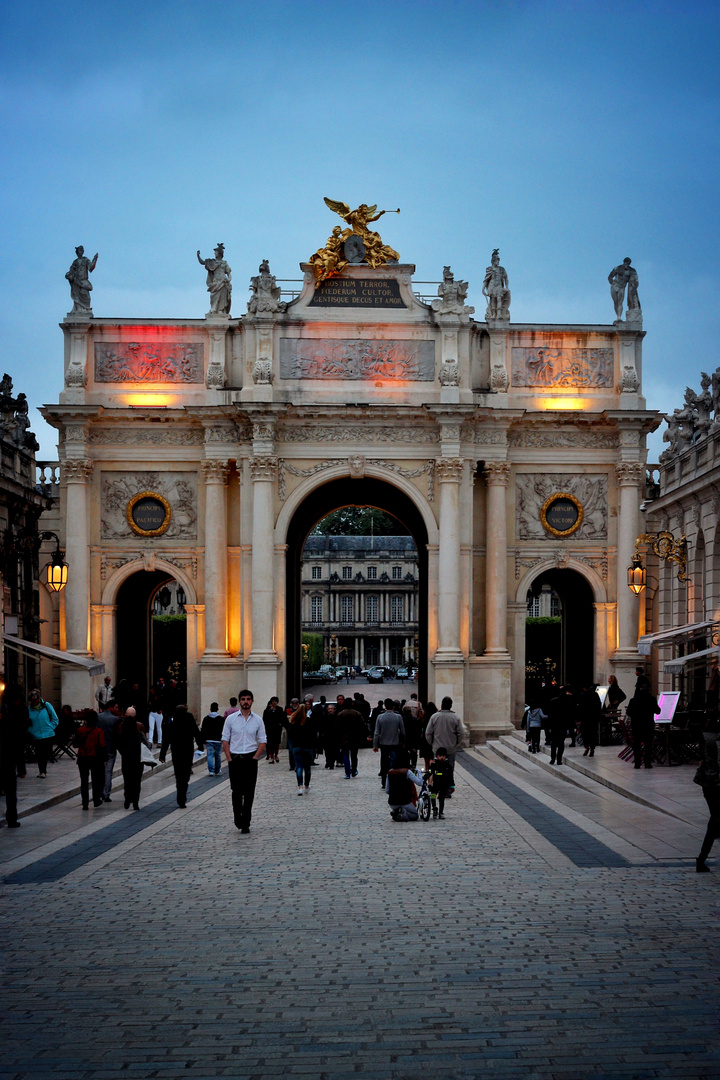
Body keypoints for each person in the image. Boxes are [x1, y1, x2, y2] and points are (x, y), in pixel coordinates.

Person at [221, 689, 266, 832]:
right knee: (236, 791)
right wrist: (229, 759)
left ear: (252, 701)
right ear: (239, 701)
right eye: (243, 699)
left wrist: (255, 757)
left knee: (249, 792)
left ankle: (246, 821)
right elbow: (225, 739)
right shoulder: (231, 719)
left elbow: (263, 741)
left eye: (248, 699)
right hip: (235, 759)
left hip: (250, 759)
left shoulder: (258, 720)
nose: (246, 702)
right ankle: (237, 816)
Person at [159, 705, 204, 808]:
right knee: (185, 775)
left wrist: (162, 755)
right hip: (187, 752)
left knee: (179, 776)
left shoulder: (173, 723)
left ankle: (181, 796)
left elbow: (166, 740)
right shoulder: (189, 720)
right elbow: (196, 733)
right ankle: (182, 797)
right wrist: (200, 746)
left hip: (177, 752)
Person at [73, 710, 107, 810]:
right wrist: (105, 757)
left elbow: (75, 744)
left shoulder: (80, 730)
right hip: (94, 758)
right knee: (95, 780)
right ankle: (96, 800)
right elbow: (102, 745)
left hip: (82, 758)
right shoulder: (98, 732)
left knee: (84, 781)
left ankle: (85, 803)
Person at [0, 689, 23, 827]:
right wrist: (21, 769)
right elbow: (17, 746)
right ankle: (11, 819)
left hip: (6, 761)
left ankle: (12, 818)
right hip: (8, 762)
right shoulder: (13, 723)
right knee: (10, 793)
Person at [116, 707, 147, 810]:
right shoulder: (139, 729)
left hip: (126, 759)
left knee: (127, 780)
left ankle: (127, 798)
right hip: (137, 759)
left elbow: (118, 744)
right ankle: (135, 802)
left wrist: (124, 753)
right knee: (136, 781)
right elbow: (145, 744)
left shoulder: (121, 728)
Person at [424, 697, 462, 772]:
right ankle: (450, 782)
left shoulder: (434, 717)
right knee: (450, 768)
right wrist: (456, 742)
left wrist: (432, 743)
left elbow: (428, 733)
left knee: (437, 769)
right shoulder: (455, 717)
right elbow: (461, 733)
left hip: (437, 748)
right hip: (450, 748)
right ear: (451, 706)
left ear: (441, 705)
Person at [373, 698, 405, 787]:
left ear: (385, 706)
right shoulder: (398, 717)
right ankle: (393, 780)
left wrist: (375, 745)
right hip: (395, 743)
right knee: (394, 762)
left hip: (384, 744)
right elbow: (402, 732)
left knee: (384, 762)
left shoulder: (380, 717)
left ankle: (384, 781)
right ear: (393, 706)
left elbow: (376, 733)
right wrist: (403, 742)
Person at [627, 686, 660, 769]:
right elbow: (658, 711)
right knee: (648, 745)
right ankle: (647, 763)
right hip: (648, 725)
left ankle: (637, 763)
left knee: (637, 745)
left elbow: (628, 712)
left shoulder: (633, 700)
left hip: (636, 725)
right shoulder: (651, 699)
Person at [288, 695, 316, 795]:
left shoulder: (294, 722)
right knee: (307, 768)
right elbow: (313, 735)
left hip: (297, 746)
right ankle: (307, 786)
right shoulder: (309, 721)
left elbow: (290, 734)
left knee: (299, 767)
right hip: (307, 747)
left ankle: (300, 786)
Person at [695, 762, 720, 872]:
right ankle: (701, 859)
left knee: (714, 824)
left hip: (711, 787)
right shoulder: (712, 745)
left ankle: (701, 859)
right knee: (715, 823)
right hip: (714, 787)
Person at [27, 690, 58, 778]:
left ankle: (43, 770)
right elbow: (27, 722)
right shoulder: (29, 709)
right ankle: (42, 771)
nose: (34, 702)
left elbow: (55, 718)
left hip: (48, 734)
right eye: (32, 700)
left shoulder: (46, 706)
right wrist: (31, 730)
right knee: (40, 754)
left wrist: (51, 727)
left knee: (46, 753)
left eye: (35, 700)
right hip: (36, 735)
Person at [385, 750, 423, 821]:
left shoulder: (390, 772)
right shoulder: (407, 772)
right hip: (405, 801)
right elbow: (420, 783)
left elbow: (387, 790)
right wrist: (419, 773)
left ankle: (396, 812)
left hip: (392, 802)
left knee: (401, 809)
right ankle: (403, 813)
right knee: (415, 815)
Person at [197, 244, 232, 316]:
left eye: (216, 252)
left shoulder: (224, 263)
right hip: (216, 282)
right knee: (214, 296)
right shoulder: (212, 262)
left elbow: (229, 273)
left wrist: (229, 279)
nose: (214, 253)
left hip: (223, 281)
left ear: (219, 253)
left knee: (223, 297)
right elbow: (202, 262)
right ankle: (214, 309)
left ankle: (220, 310)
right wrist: (198, 256)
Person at [336, 698, 367, 778]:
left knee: (345, 755)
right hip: (355, 737)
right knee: (354, 755)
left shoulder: (340, 714)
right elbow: (362, 725)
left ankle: (347, 772)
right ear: (352, 704)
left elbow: (337, 727)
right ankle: (354, 770)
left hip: (344, 738)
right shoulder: (357, 713)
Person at [97, 703, 121, 802]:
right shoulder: (115, 720)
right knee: (108, 772)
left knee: (99, 772)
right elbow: (116, 735)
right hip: (110, 749)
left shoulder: (98, 717)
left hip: (99, 749)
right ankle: (106, 794)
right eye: (116, 707)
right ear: (110, 708)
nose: (117, 709)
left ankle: (99, 792)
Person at [65, 245, 98, 313]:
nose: (81, 251)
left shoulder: (85, 260)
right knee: (77, 297)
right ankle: (78, 309)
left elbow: (91, 268)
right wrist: (69, 275)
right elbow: (71, 270)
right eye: (80, 250)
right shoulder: (75, 262)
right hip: (77, 281)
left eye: (82, 250)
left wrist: (95, 260)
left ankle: (86, 309)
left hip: (83, 281)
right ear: (77, 252)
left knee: (85, 295)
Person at [547, 686, 574, 765]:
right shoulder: (567, 702)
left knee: (554, 743)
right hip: (563, 725)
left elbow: (550, 715)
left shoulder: (553, 701)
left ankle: (552, 758)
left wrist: (549, 725)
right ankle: (559, 759)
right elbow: (569, 714)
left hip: (554, 725)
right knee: (561, 743)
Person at [427, 747, 454, 819]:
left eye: (443, 756)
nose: (442, 758)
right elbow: (429, 773)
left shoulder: (447, 766)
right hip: (435, 784)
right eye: (440, 756)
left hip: (444, 785)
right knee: (433, 796)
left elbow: (450, 776)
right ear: (436, 756)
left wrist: (452, 785)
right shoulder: (434, 765)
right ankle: (434, 808)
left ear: (445, 756)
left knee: (441, 799)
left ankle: (441, 812)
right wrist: (425, 779)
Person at [578, 683, 602, 757]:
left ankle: (587, 746)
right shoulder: (595, 695)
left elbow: (580, 707)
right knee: (593, 733)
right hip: (593, 717)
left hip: (585, 717)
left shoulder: (583, 695)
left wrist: (579, 718)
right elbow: (598, 705)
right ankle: (592, 748)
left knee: (585, 733)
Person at [201, 702, 224, 776]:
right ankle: (217, 769)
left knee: (210, 755)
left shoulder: (206, 718)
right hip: (218, 739)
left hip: (209, 739)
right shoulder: (221, 719)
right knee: (218, 755)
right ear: (217, 709)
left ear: (210, 709)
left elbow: (203, 729)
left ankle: (211, 770)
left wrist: (203, 739)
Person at [402, 693, 424, 769]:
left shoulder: (407, 703)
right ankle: (414, 765)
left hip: (406, 727)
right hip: (415, 722)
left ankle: (407, 764)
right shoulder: (418, 703)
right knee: (414, 751)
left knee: (406, 749)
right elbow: (421, 713)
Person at [262, 697, 284, 764]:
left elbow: (282, 718)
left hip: (277, 729)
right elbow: (264, 719)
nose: (274, 703)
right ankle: (271, 756)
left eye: (275, 701)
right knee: (270, 743)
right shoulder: (267, 710)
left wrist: (281, 725)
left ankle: (276, 755)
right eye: (273, 701)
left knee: (276, 743)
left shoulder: (280, 709)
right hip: (270, 729)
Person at [419, 700, 437, 771]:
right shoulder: (435, 717)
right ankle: (432, 775)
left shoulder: (424, 717)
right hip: (434, 738)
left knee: (426, 760)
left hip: (425, 739)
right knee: (432, 759)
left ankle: (427, 773)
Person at [283, 697, 299, 771]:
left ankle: (298, 763)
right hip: (291, 733)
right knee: (291, 750)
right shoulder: (287, 711)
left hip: (298, 733)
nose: (295, 705)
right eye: (293, 703)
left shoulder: (300, 711)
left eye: (296, 703)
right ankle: (292, 765)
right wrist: (288, 728)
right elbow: (284, 721)